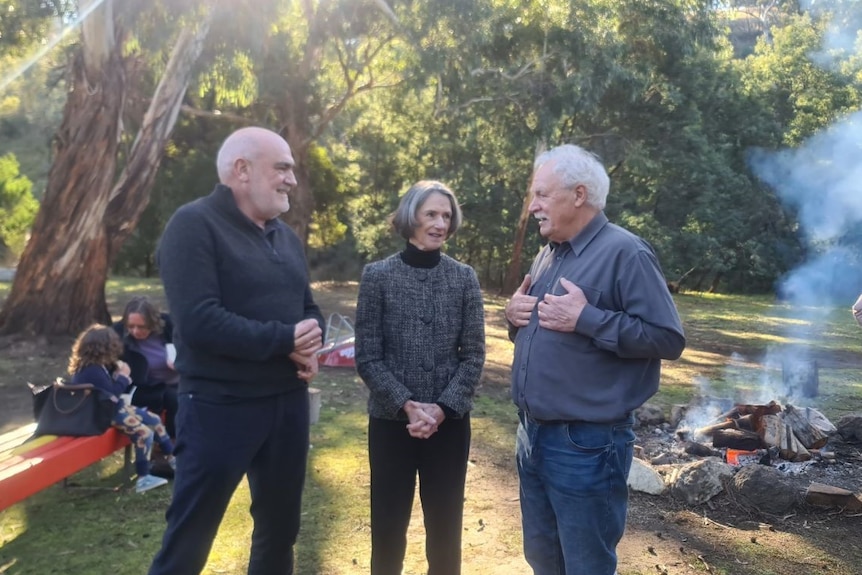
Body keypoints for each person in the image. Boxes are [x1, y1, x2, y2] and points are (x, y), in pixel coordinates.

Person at [148, 126, 325, 575]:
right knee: (190, 537)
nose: (292, 179)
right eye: (282, 168)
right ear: (241, 171)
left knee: (280, 531)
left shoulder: (284, 236)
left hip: (286, 405)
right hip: (218, 408)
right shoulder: (193, 225)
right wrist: (285, 340)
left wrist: (310, 343)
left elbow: (306, 306)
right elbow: (200, 322)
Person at [505, 144, 686, 575]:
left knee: (585, 564)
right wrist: (513, 318)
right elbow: (540, 326)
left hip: (585, 445)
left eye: (542, 195)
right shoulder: (549, 252)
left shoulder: (627, 252)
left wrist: (588, 318)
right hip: (532, 437)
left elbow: (667, 337)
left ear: (579, 195)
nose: (533, 207)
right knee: (544, 559)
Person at [355, 180, 486, 575]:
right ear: (411, 217)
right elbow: (367, 356)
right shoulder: (377, 276)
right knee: (388, 530)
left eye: (446, 215)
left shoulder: (464, 278)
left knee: (445, 533)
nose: (440, 223)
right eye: (431, 214)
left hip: (449, 427)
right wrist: (408, 406)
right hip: (392, 424)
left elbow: (475, 354)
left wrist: (444, 409)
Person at [68, 324, 175, 494]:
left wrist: (117, 376)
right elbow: (112, 396)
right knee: (144, 433)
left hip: (111, 409)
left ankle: (172, 458)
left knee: (154, 419)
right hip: (105, 414)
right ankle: (143, 477)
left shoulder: (95, 366)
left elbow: (107, 390)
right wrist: (124, 377)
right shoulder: (92, 370)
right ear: (105, 348)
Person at [112, 296, 179, 439]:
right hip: (145, 387)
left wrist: (182, 362)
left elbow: (194, 350)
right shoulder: (118, 333)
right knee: (175, 400)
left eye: (142, 327)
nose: (136, 331)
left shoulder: (170, 325)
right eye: (131, 326)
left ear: (153, 323)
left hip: (179, 380)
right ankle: (168, 446)